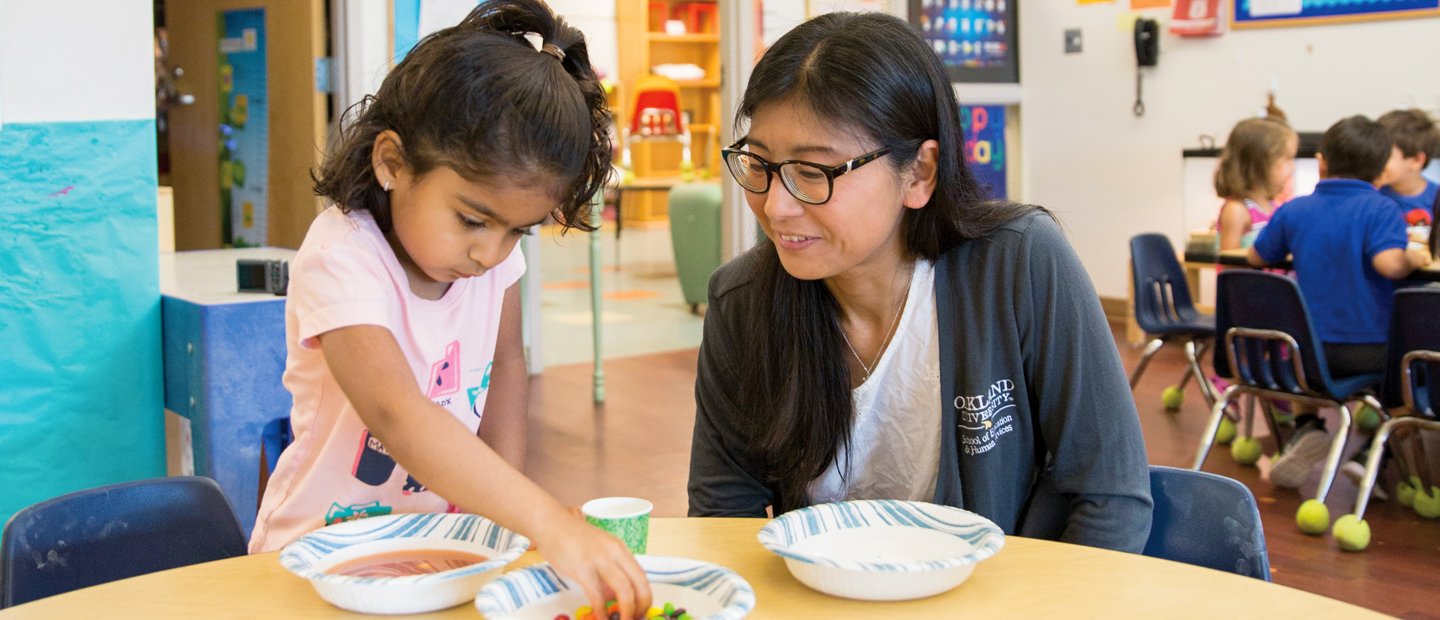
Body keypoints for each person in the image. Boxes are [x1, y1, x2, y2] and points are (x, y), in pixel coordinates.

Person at [686, 11, 1153, 553]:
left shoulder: (1019, 264)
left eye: (813, 172)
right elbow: (725, 517)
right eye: (759, 163)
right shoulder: (742, 303)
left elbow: (1110, 496)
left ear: (920, 173)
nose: (776, 205)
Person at [250, 1, 651, 615]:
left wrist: (502, 521)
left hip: (440, 554)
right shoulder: (342, 256)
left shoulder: (492, 261)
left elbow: (507, 368)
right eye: (471, 219)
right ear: (392, 162)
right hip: (320, 558)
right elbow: (397, 414)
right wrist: (545, 518)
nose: (490, 252)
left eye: (520, 231)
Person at [1249, 115, 1433, 489]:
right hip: (1371, 352)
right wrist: (1411, 257)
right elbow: (1388, 263)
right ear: (1382, 171)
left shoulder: (1294, 210)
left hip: (1304, 354)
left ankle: (1307, 427)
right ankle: (1374, 454)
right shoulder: (1382, 210)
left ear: (1321, 162)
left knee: (1307, 353)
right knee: (1406, 376)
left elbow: (1256, 257)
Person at [1214, 117, 1298, 251]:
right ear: (1261, 164)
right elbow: (1229, 265)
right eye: (1287, 159)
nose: (1293, 167)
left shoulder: (1274, 206)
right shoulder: (1237, 211)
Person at [1377, 109, 1440, 225]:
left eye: (1386, 155)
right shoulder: (1374, 194)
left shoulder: (1436, 198)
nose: (1377, 160)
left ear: (1417, 160)